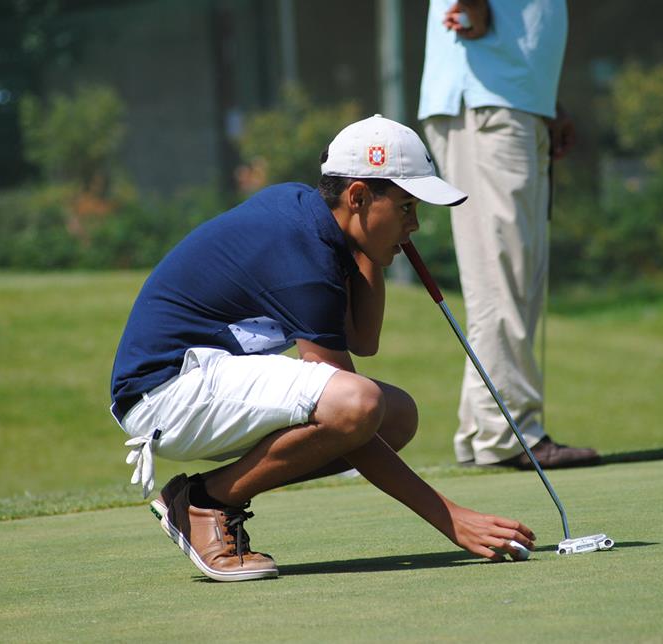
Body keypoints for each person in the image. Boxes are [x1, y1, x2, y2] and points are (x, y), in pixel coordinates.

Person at [109, 115, 536, 582]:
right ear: (357, 197)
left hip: (205, 382)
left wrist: (373, 249)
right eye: (407, 207)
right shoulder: (301, 251)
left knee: (396, 416)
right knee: (360, 404)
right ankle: (208, 504)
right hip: (165, 395)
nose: (414, 225)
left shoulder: (319, 225)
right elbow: (348, 406)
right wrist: (451, 518)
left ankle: (206, 496)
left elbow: (362, 340)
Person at [418, 0, 600, 470]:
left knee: (506, 277)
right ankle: (509, 432)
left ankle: (485, 430)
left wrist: (544, 101)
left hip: (508, 98)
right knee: (502, 278)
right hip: (487, 101)